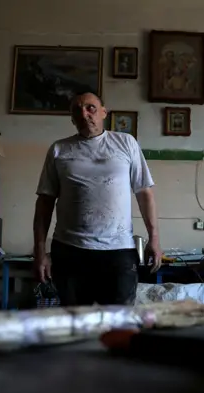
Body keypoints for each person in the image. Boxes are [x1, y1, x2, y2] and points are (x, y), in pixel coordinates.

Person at [33, 92, 162, 306]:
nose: (84, 114)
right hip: (69, 251)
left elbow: (144, 193)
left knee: (119, 323)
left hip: (118, 251)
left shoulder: (126, 143)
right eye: (77, 110)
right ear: (72, 119)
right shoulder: (58, 149)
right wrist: (39, 252)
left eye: (90, 108)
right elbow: (44, 203)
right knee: (76, 323)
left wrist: (154, 239)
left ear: (104, 112)